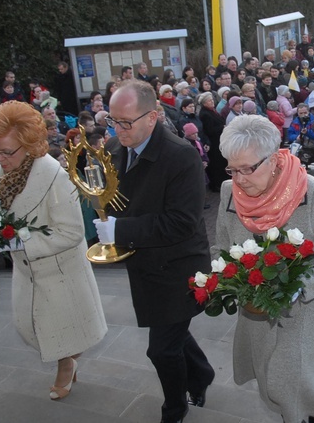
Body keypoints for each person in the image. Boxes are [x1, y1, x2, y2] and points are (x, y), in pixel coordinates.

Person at [214, 115, 314, 423]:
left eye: (247, 168)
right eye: (232, 169)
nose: (239, 179)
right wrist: (228, 280)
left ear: (275, 159)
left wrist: (299, 287)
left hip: (312, 311)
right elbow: (221, 249)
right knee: (275, 384)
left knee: (299, 385)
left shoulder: (312, 193)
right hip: (259, 312)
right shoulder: (229, 193)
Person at [92, 81, 215, 423]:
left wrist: (121, 229)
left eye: (126, 122)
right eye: (112, 121)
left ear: (154, 117)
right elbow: (114, 196)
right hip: (144, 261)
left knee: (161, 348)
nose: (117, 130)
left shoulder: (182, 156)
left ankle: (174, 409)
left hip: (179, 266)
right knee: (170, 329)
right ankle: (202, 373)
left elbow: (182, 222)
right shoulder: (116, 145)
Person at [0, 101, 107, 400]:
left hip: (58, 271)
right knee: (33, 329)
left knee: (62, 332)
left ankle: (67, 365)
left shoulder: (55, 176)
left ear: (29, 143)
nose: (1, 158)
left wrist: (24, 242)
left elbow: (73, 232)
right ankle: (67, 359)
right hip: (26, 272)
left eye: (7, 151)